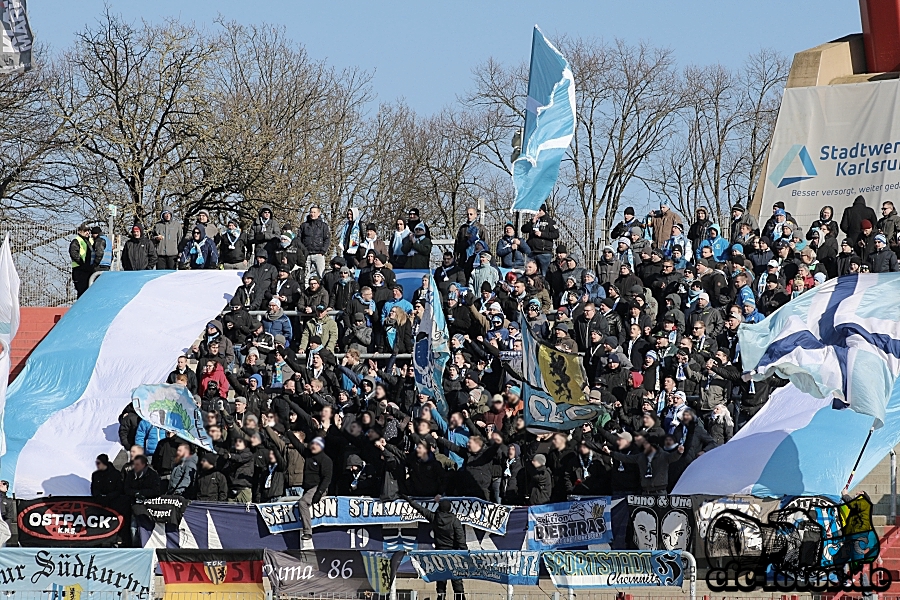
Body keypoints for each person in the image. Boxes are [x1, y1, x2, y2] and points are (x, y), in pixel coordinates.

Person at [401, 494, 467, 600]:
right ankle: (459, 598)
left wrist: (406, 498)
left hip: (439, 553)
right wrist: (465, 553)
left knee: (441, 578)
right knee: (456, 579)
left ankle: (440, 598)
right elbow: (461, 539)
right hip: (454, 554)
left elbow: (419, 508)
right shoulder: (455, 521)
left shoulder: (434, 518)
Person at [521, 203, 560, 275]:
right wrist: (532, 222)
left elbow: (556, 234)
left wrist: (542, 234)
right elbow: (523, 229)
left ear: (543, 211)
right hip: (532, 252)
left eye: (539, 210)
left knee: (544, 274)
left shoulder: (550, 222)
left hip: (544, 253)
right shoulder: (533, 221)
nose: (537, 213)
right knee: (530, 273)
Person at [300, 205, 330, 282]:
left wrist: (323, 251)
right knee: (305, 276)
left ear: (318, 213)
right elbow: (299, 239)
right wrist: (303, 251)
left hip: (319, 254)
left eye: (314, 212)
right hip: (307, 254)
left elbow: (327, 239)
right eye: (311, 212)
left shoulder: (323, 226)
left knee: (321, 275)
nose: (312, 214)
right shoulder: (304, 225)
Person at [69, 223, 94, 297]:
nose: (87, 232)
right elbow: (73, 253)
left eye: (88, 231)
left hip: (89, 269)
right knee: (82, 291)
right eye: (85, 230)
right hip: (79, 269)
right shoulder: (77, 240)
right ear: (80, 231)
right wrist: (81, 263)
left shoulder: (90, 240)